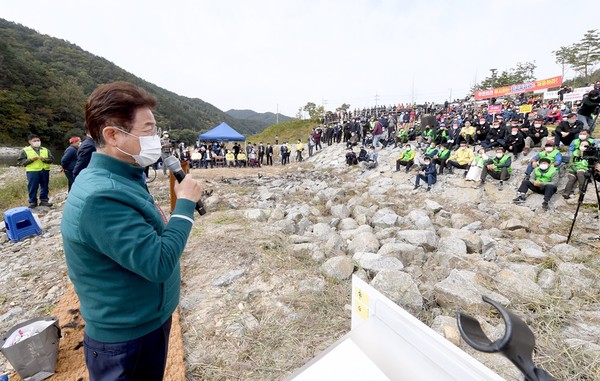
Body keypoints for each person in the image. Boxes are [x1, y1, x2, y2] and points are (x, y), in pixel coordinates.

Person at [61, 81, 202, 381]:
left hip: (144, 322)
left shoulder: (123, 176)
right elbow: (158, 263)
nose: (156, 139)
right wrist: (186, 205)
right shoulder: (101, 196)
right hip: (126, 340)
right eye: (148, 130)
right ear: (113, 135)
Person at [17, 134, 54, 208]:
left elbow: (51, 159)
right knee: (32, 187)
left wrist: (44, 159)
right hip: (32, 171)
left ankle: (44, 200)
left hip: (44, 170)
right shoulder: (25, 150)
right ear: (30, 142)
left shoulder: (45, 150)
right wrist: (31, 160)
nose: (37, 142)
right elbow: (20, 162)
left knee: (45, 186)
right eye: (35, 141)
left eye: (38, 140)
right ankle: (33, 202)